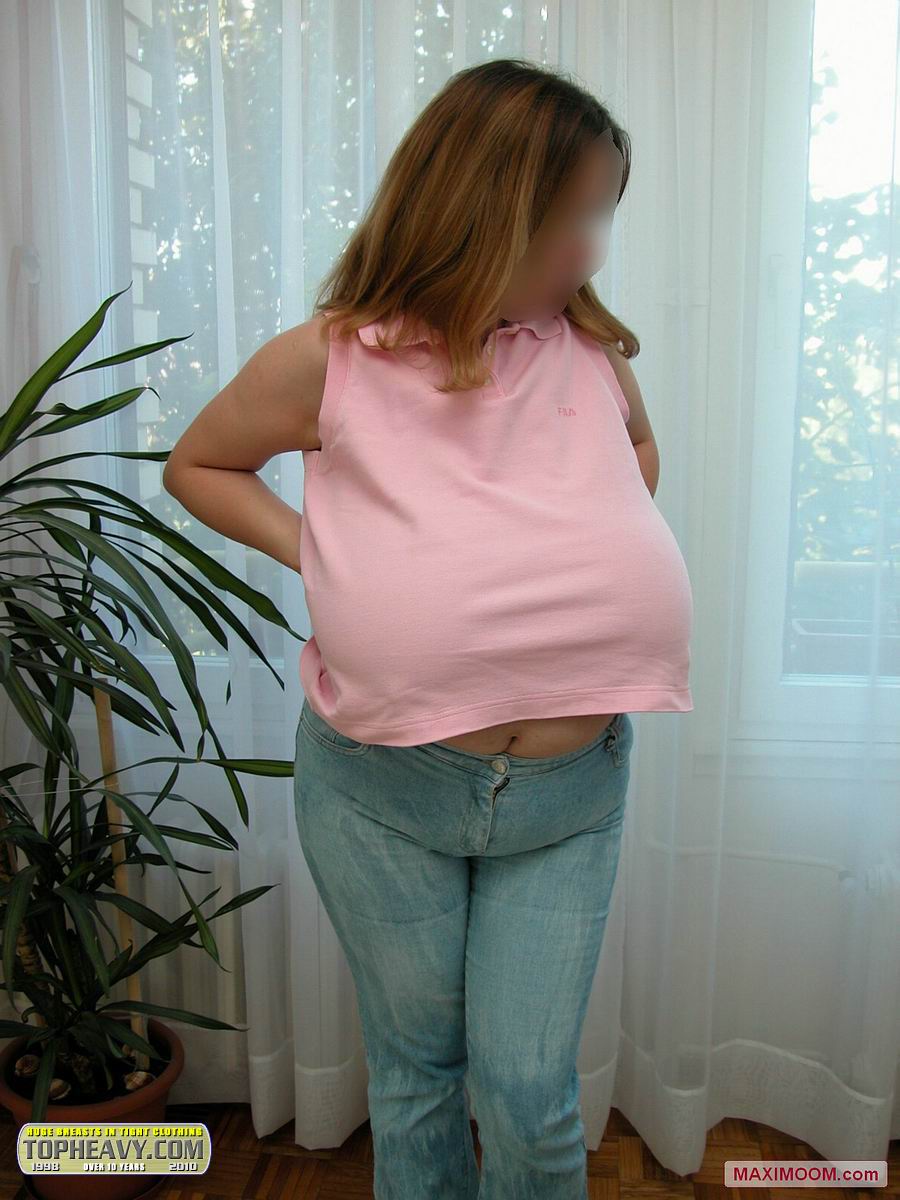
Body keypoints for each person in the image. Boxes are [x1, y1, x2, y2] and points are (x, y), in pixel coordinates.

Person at [164, 56, 693, 1200]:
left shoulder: (587, 350)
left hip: (567, 799)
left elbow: (638, 448)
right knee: (416, 1078)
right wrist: (330, 556)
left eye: (601, 216)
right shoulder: (329, 359)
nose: (592, 249)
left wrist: (586, 546)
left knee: (530, 1094)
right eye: (573, 218)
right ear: (483, 209)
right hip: (381, 793)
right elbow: (198, 464)